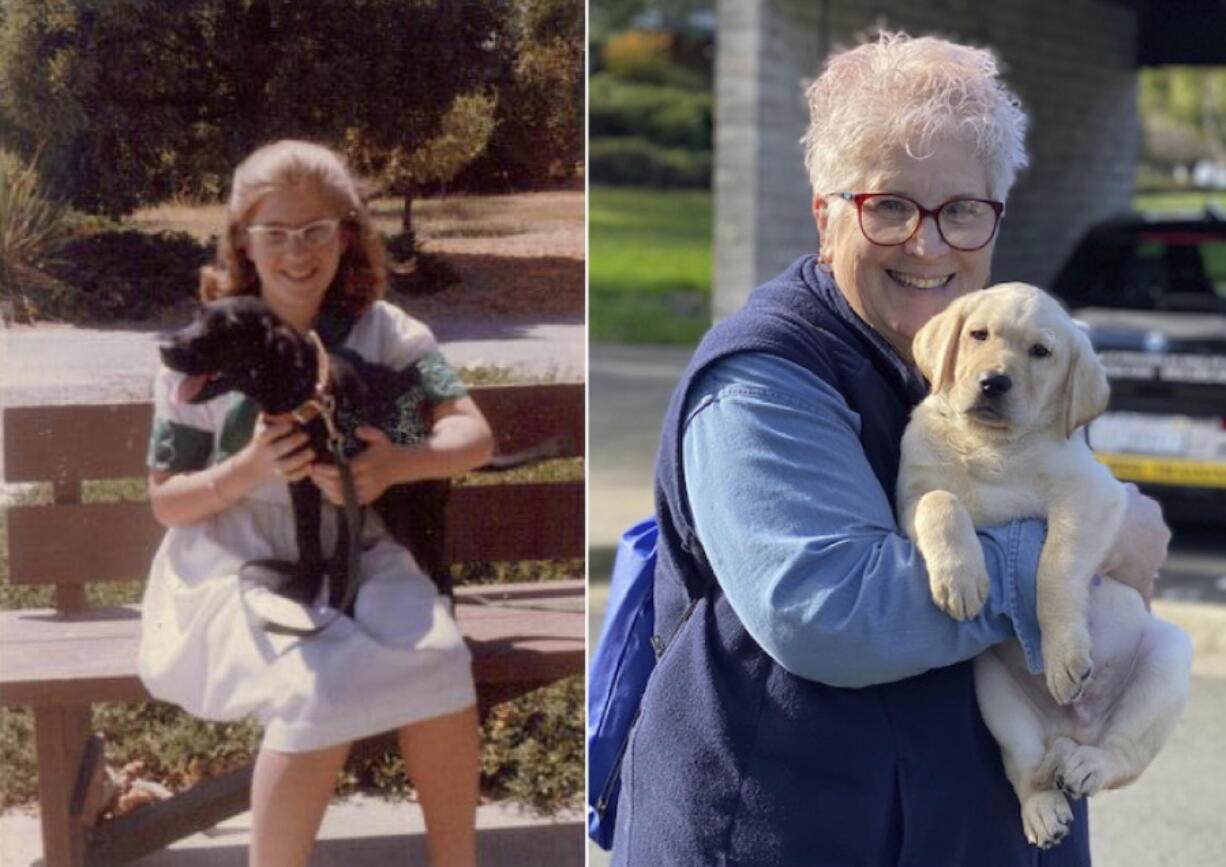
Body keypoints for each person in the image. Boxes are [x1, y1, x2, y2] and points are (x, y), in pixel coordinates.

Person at [611, 33, 1170, 866]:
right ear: (826, 213)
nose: (929, 243)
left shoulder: (1011, 355)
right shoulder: (765, 376)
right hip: (789, 830)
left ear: (993, 215)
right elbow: (828, 611)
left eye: (962, 210)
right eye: (889, 206)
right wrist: (1079, 555)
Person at [139, 140, 493, 867]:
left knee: (442, 661)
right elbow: (168, 503)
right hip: (234, 561)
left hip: (353, 550)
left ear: (349, 234)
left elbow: (473, 434)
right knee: (316, 688)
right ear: (242, 240)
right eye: (274, 233)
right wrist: (248, 468)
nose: (296, 253)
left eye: (316, 231)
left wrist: (398, 463)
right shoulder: (212, 341)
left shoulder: (386, 333)